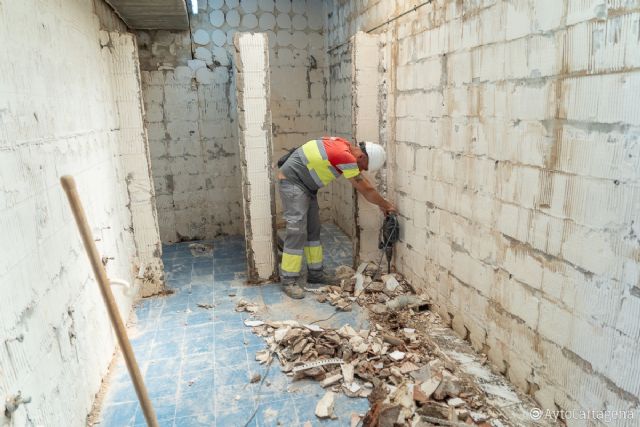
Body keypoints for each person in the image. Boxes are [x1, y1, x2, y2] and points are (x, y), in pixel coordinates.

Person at [277, 136, 397, 299]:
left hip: (306, 187)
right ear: (361, 157)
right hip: (293, 182)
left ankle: (315, 273)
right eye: (363, 167)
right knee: (297, 230)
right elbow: (366, 190)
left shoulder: (343, 144)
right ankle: (288, 280)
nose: (361, 171)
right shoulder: (345, 157)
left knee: (313, 230)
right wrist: (387, 205)